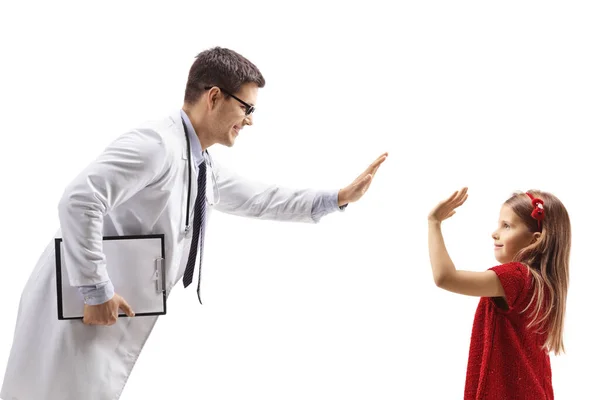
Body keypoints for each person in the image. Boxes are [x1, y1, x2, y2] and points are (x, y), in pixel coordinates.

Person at [0, 47, 388, 400]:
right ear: (214, 96)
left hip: (106, 313)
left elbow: (259, 198)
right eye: (246, 108)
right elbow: (80, 199)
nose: (250, 120)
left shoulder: (198, 162)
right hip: (79, 307)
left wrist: (337, 198)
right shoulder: (157, 145)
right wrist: (96, 290)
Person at [427, 187, 570, 399]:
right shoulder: (543, 284)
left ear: (535, 239)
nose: (495, 233)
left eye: (506, 226)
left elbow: (445, 278)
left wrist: (434, 223)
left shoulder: (516, 276)